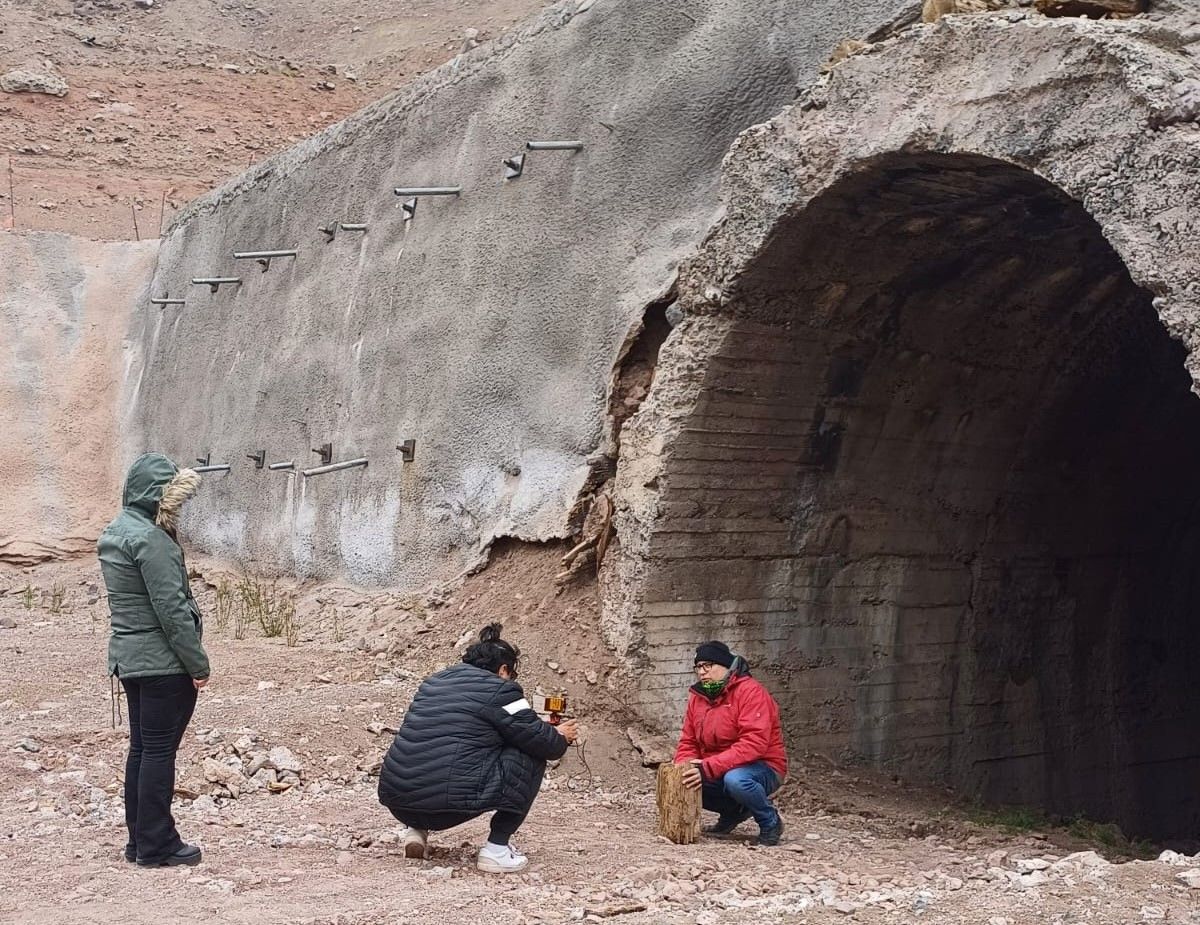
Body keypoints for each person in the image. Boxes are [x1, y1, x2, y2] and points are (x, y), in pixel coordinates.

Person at [378, 623, 577, 873]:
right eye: (512, 674)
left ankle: (416, 831)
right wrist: (559, 735)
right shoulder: (503, 690)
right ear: (504, 669)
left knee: (430, 748)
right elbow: (542, 743)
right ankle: (496, 851)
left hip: (399, 801)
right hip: (445, 807)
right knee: (530, 753)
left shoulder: (433, 683)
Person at [97, 453, 210, 868]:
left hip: (129, 660)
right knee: (159, 753)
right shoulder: (151, 539)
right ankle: (158, 845)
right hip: (164, 665)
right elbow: (172, 609)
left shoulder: (115, 533)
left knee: (142, 751)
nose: (177, 508)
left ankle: (139, 842)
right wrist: (197, 665)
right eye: (173, 498)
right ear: (157, 497)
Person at [674, 640, 787, 845]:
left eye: (708, 666)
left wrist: (708, 768)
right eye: (698, 667)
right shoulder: (698, 697)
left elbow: (754, 744)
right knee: (682, 778)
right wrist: (684, 764)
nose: (702, 672)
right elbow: (688, 740)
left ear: (725, 666)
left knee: (737, 781)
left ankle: (770, 822)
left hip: (762, 766)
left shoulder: (751, 692)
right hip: (720, 767)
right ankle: (734, 812)